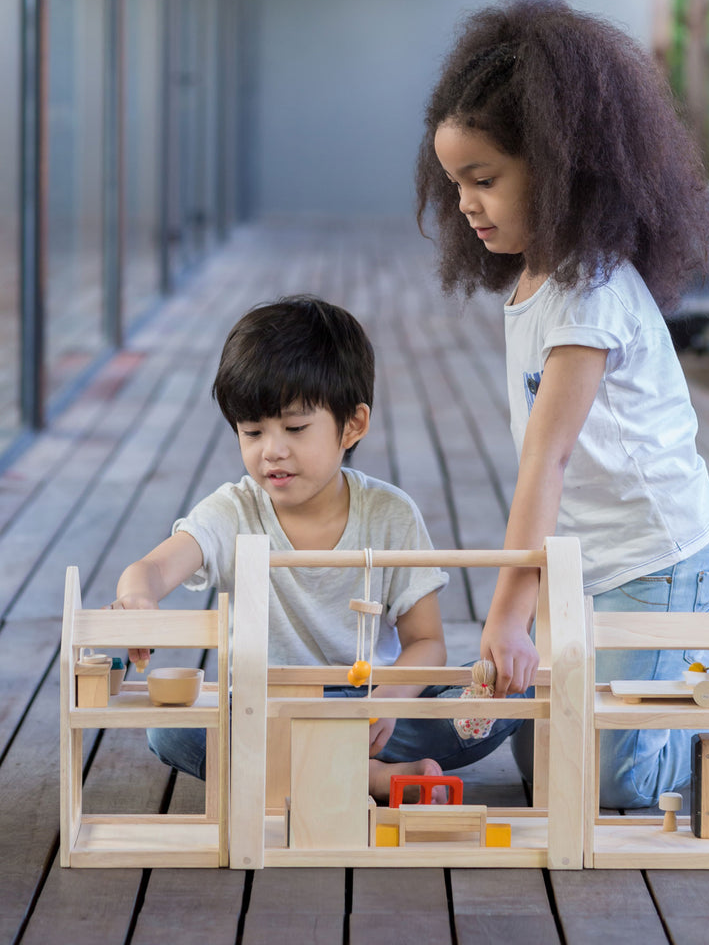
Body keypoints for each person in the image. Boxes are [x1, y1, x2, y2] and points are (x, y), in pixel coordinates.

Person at [415, 0, 709, 808]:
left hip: (657, 560)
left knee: (619, 785)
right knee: (548, 768)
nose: (467, 202)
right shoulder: (535, 277)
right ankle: (695, 677)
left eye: (484, 180)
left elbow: (547, 458)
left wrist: (507, 617)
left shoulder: (589, 294)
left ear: (558, 169)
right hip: (588, 563)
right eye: (455, 182)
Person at [113, 295, 519, 802]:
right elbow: (153, 567)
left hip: (372, 705)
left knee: (498, 695)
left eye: (295, 428)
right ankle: (370, 778)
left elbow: (426, 642)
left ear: (353, 425)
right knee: (170, 731)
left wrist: (385, 702)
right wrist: (138, 598)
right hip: (267, 707)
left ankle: (313, 771)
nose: (272, 450)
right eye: (253, 431)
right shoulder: (233, 510)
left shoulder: (390, 514)